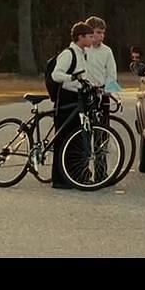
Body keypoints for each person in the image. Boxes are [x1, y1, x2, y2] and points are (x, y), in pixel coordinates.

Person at [50, 22, 92, 189]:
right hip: (67, 99)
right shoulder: (69, 54)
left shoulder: (82, 54)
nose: (92, 39)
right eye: (89, 36)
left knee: (75, 139)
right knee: (64, 137)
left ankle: (74, 176)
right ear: (80, 37)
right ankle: (60, 179)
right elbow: (56, 75)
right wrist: (72, 78)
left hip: (78, 98)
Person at [84, 16, 120, 92]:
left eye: (103, 33)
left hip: (102, 90)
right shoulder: (82, 49)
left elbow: (112, 73)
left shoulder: (107, 51)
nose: (102, 35)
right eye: (98, 32)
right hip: (84, 90)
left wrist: (109, 89)